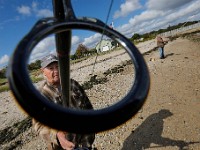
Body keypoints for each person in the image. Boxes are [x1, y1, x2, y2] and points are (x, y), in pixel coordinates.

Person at [32, 54, 95, 150]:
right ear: (43, 71)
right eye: (51, 68)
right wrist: (57, 135)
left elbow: (87, 105)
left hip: (85, 140)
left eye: (58, 66)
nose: (56, 71)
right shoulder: (41, 95)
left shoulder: (73, 84)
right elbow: (39, 125)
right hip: (63, 146)